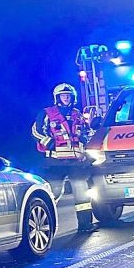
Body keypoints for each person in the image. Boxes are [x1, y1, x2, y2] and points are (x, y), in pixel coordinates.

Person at [31, 83, 96, 231]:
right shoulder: (47, 113)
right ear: (57, 98)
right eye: (63, 96)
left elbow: (87, 132)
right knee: (53, 192)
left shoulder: (77, 114)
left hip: (75, 162)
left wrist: (85, 139)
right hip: (55, 162)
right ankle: (44, 226)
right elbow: (35, 131)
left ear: (73, 97)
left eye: (68, 96)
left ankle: (86, 225)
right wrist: (48, 142)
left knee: (82, 193)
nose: (66, 98)